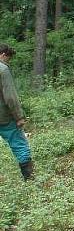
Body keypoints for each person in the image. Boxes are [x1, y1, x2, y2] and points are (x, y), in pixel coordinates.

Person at [0, 44, 34, 180]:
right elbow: (10, 97)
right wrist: (19, 117)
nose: (7, 61)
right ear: (3, 54)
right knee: (20, 145)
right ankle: (29, 179)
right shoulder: (3, 70)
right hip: (4, 117)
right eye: (8, 58)